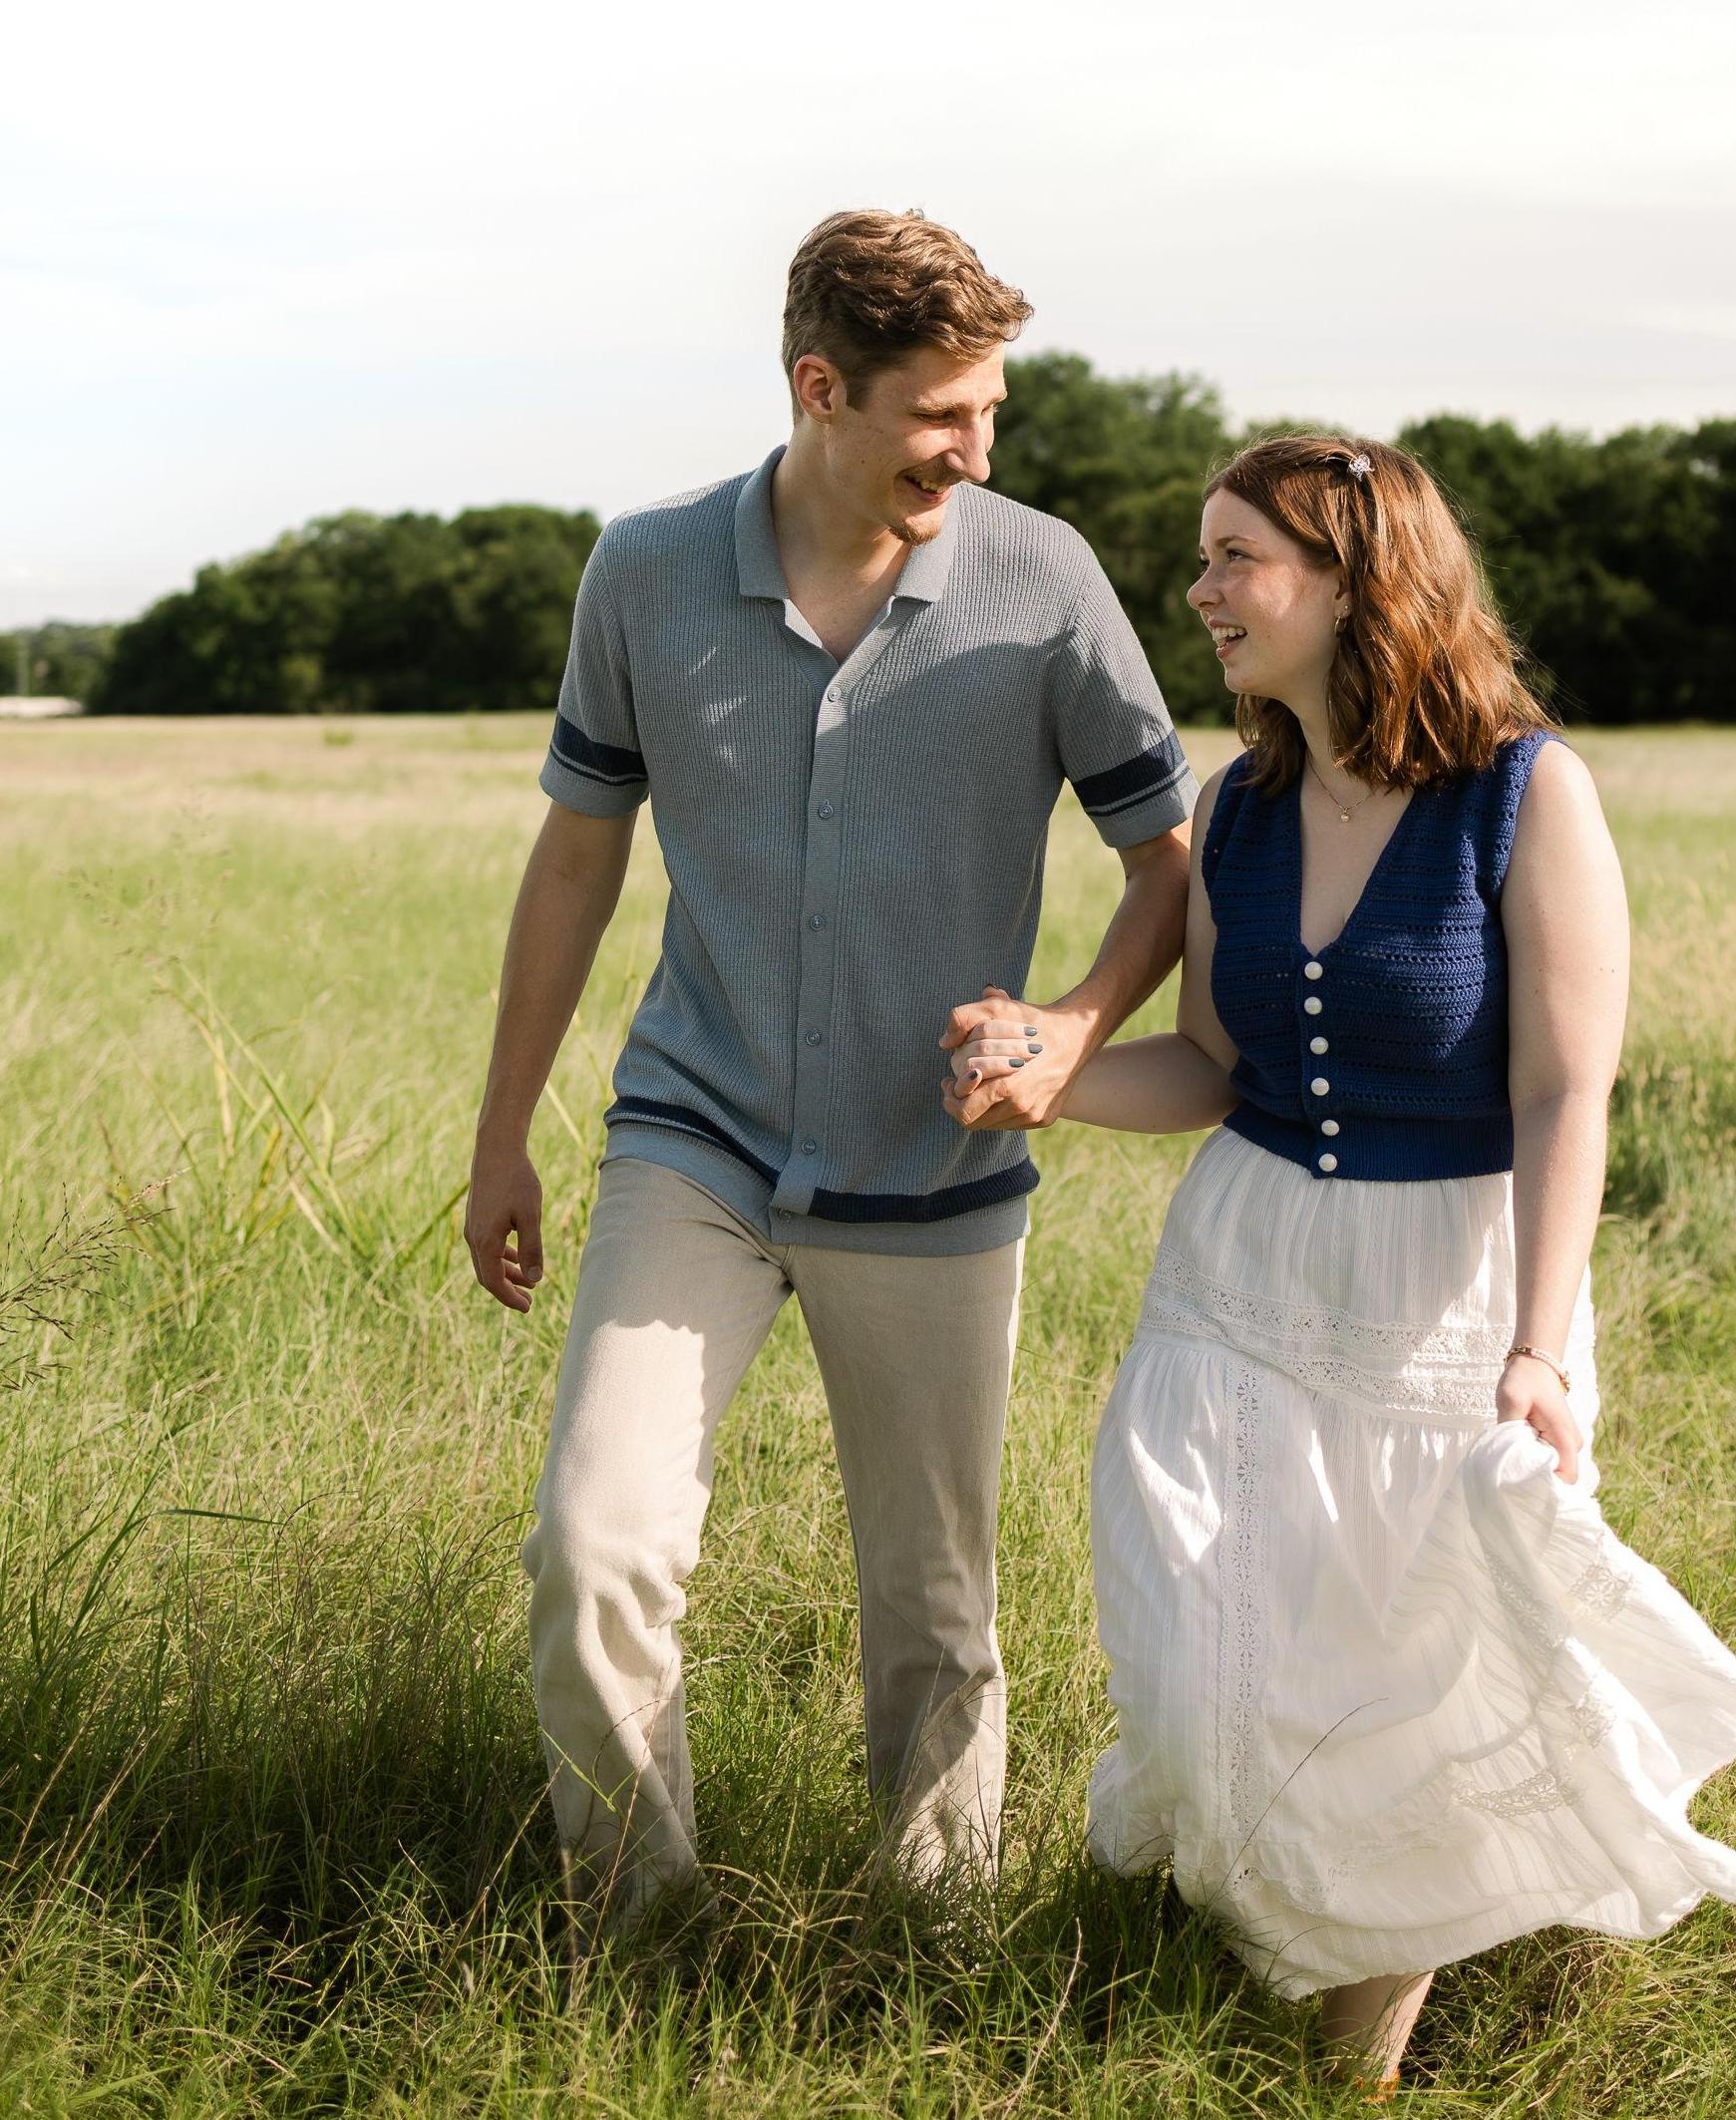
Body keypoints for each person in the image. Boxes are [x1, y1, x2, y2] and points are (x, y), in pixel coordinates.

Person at [946, 435, 1736, 2094]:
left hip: (1450, 1295)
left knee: (1405, 1690)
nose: (1197, 593)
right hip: (1244, 1278)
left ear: (1351, 578)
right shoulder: (1236, 810)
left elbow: (1563, 1088)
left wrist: (1537, 1349)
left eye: (1232, 558)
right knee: (1206, 1663)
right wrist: (1041, 1077)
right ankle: (1264, 1938)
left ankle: (1346, 2072)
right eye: (1200, 559)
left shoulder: (1523, 791)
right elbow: (1207, 1066)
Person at [467, 209, 1195, 1947]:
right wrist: (501, 1132)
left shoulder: (1045, 577)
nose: (976, 449)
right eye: (941, 414)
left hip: (933, 1173)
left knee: (935, 1614)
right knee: (593, 1548)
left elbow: (1167, 860)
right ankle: (644, 1938)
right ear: (819, 388)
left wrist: (1075, 1026)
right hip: (693, 1141)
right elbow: (574, 859)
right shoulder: (641, 571)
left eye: (990, 411)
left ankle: (939, 1950)